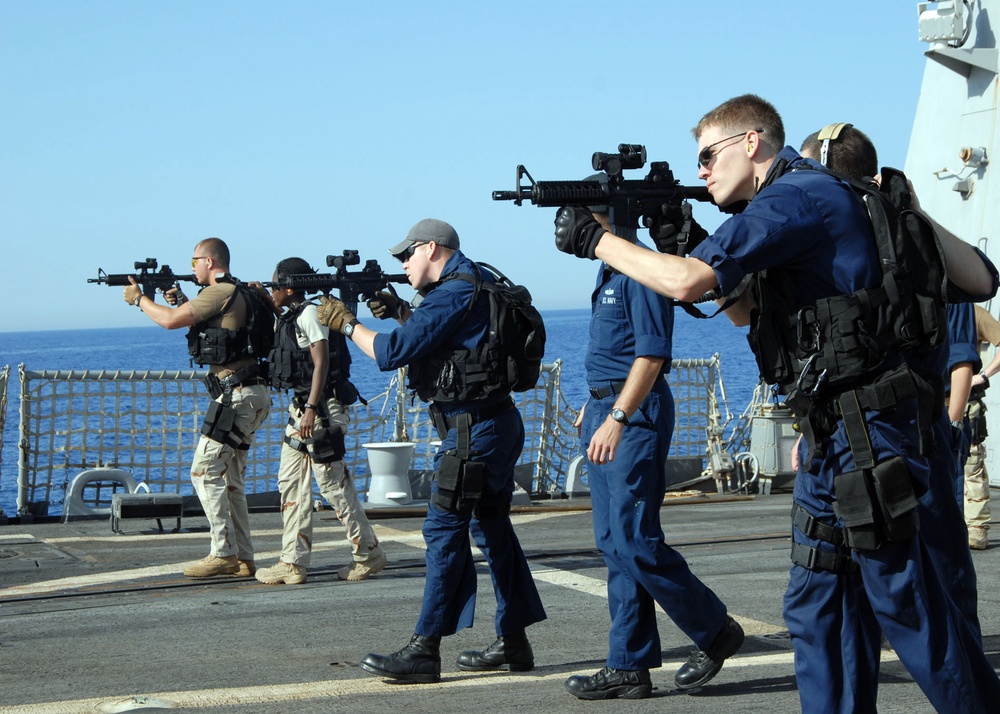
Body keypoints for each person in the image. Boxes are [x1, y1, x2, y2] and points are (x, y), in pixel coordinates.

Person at [552, 94, 1000, 712]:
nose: (703, 170)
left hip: (869, 434)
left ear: (752, 142)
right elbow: (746, 313)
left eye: (710, 154)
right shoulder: (784, 211)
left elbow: (686, 281)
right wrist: (689, 238)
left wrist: (597, 240)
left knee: (904, 599)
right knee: (819, 603)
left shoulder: (795, 196)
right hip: (833, 438)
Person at [316, 218, 546, 683]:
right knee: (493, 530)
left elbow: (389, 353)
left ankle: (425, 649)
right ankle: (514, 641)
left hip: (472, 433)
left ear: (431, 249)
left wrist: (347, 322)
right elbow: (451, 345)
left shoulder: (452, 293)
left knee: (442, 529)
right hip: (496, 423)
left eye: (407, 255)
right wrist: (402, 311)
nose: (403, 263)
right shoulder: (473, 281)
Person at [563, 201, 743, 700]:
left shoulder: (641, 271)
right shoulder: (609, 273)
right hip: (605, 408)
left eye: (585, 218)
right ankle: (628, 664)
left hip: (632, 417)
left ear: (605, 222)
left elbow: (652, 353)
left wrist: (618, 416)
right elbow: (613, 353)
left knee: (636, 541)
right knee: (613, 543)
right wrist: (595, 407)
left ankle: (715, 630)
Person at [122, 238, 271, 578]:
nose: (192, 269)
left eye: (194, 263)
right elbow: (216, 331)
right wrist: (185, 302)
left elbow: (171, 320)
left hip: (235, 396)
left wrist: (140, 300)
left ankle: (223, 552)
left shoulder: (220, 291)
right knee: (231, 479)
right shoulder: (239, 291)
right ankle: (243, 557)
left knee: (203, 471)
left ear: (209, 261)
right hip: (251, 393)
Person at [251, 257, 386, 585]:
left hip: (321, 409)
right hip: (303, 410)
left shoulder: (311, 313)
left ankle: (368, 553)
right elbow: (286, 321)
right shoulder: (296, 313)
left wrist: (312, 407)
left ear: (289, 287)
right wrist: (264, 299)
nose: (271, 290)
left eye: (274, 285)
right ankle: (292, 562)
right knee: (291, 482)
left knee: (333, 483)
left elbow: (320, 358)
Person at [965, 304, 999, 549]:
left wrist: (983, 376)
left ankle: (976, 528)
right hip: (930, 402)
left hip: (967, 403)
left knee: (971, 466)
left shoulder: (974, 313)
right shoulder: (930, 308)